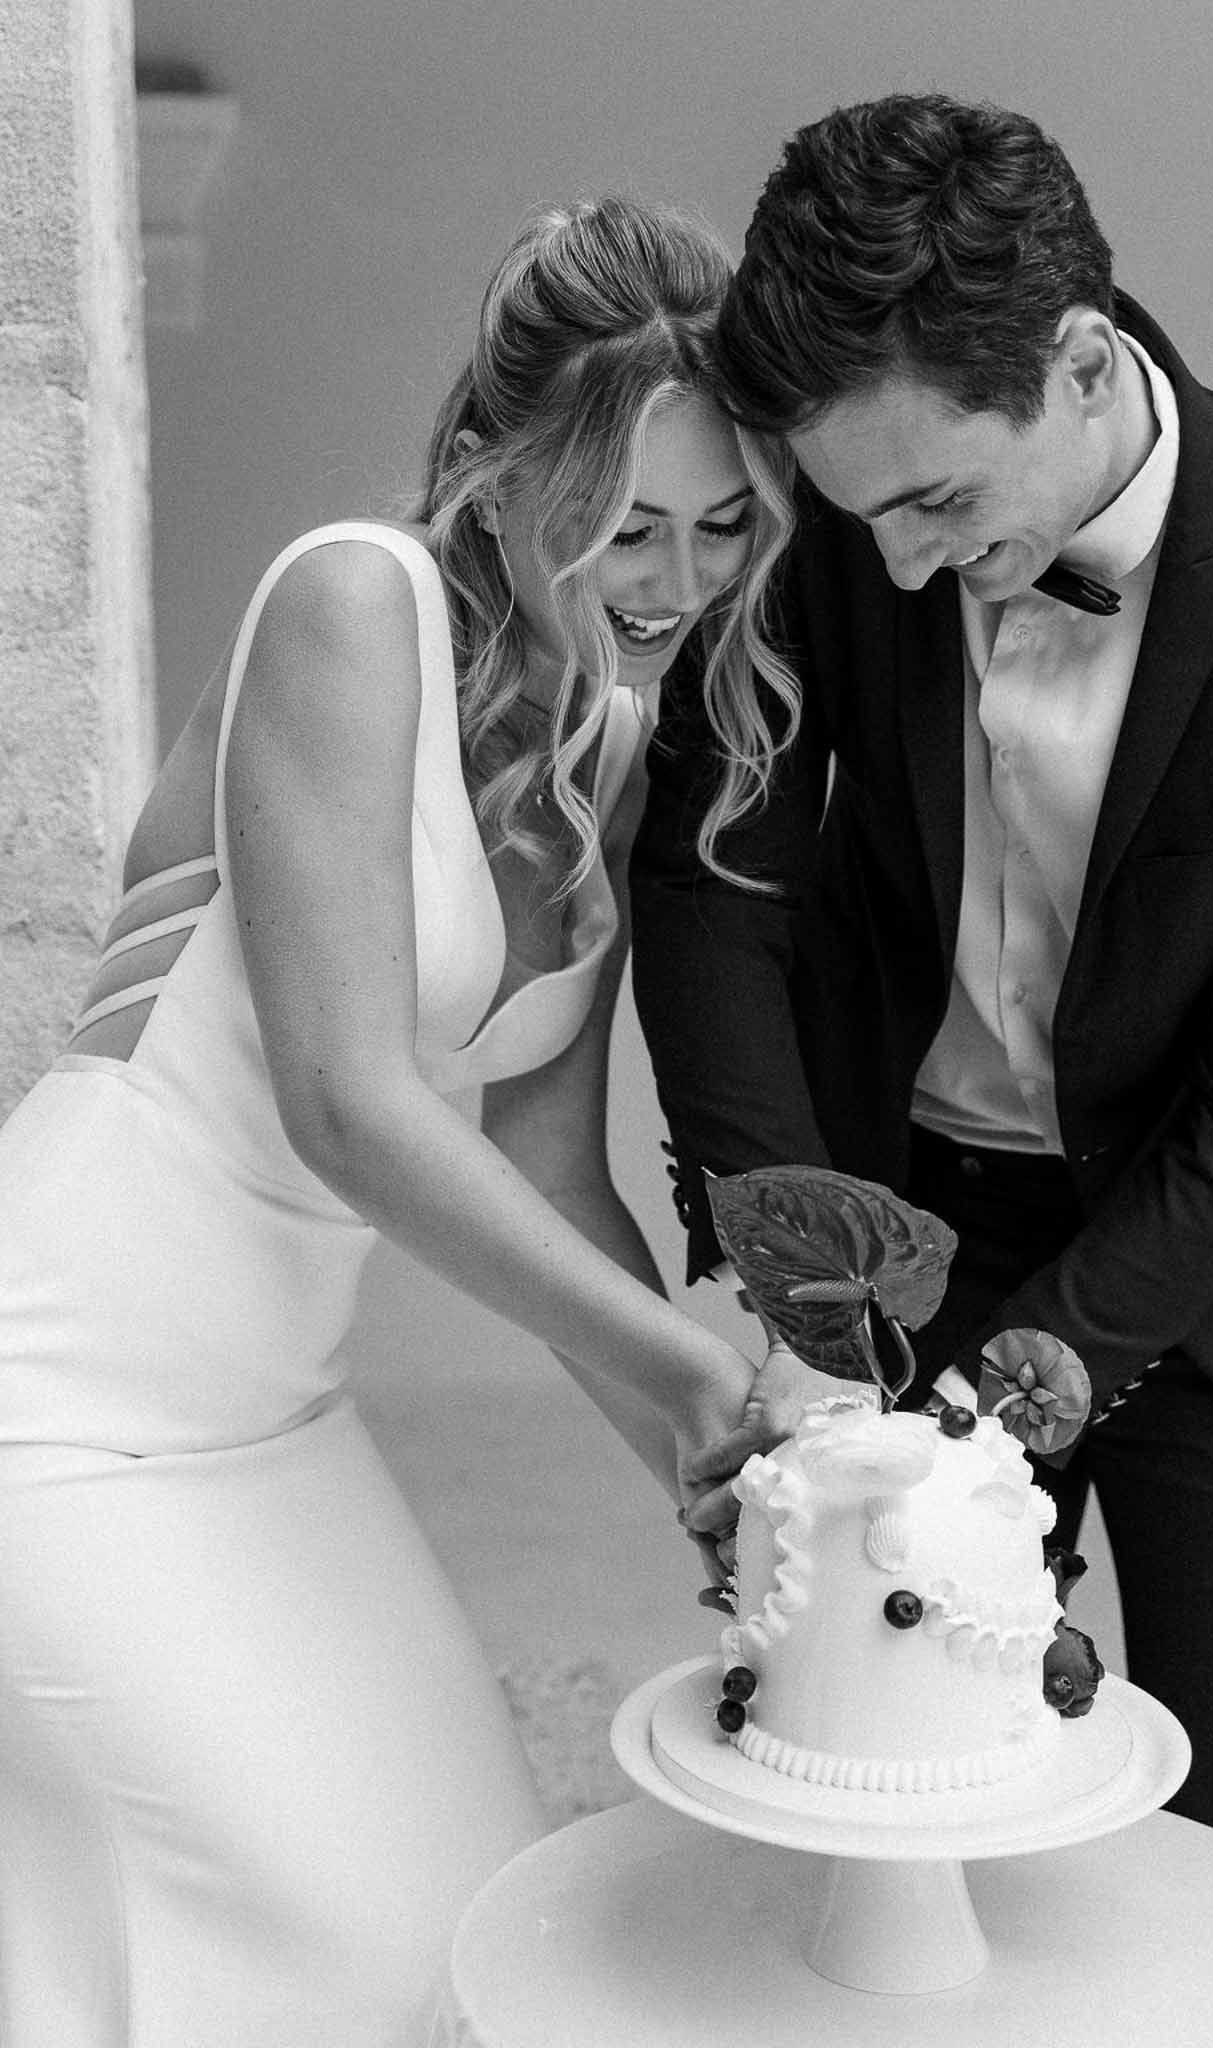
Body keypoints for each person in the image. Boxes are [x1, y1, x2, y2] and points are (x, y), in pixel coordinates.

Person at [0, 195, 810, 2047]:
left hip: (276, 1414)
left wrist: (719, 1480)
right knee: (328, 1945)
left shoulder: (606, 740)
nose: (675, 580)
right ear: (506, 470)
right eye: (627, 523)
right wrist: (699, 1379)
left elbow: (546, 1167)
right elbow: (350, 1103)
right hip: (56, 1396)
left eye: (722, 525)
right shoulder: (350, 599)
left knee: (472, 1915)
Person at [630, 93, 1213, 1911]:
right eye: (857, 514)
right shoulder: (835, 511)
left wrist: (978, 1420)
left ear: (1081, 364)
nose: (891, 566)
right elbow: (715, 890)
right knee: (873, 1775)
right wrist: (809, 1290)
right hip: (892, 1217)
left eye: (939, 505)